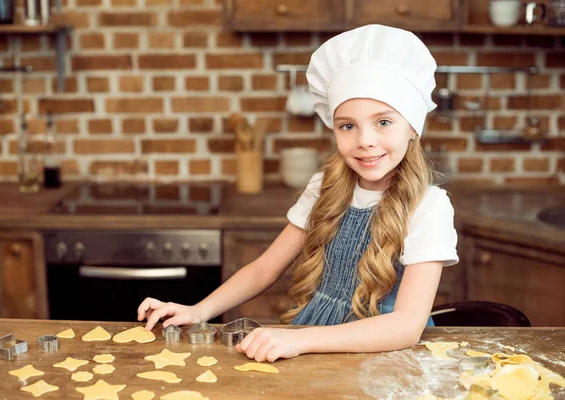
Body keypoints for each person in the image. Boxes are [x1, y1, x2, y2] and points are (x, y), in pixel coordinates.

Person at [137, 24, 458, 363]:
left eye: (383, 122)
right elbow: (264, 269)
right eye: (347, 126)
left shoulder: (429, 207)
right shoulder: (325, 187)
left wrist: (301, 341)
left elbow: (405, 327)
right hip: (311, 344)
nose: (365, 140)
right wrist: (198, 310)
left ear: (412, 128)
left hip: (382, 357)